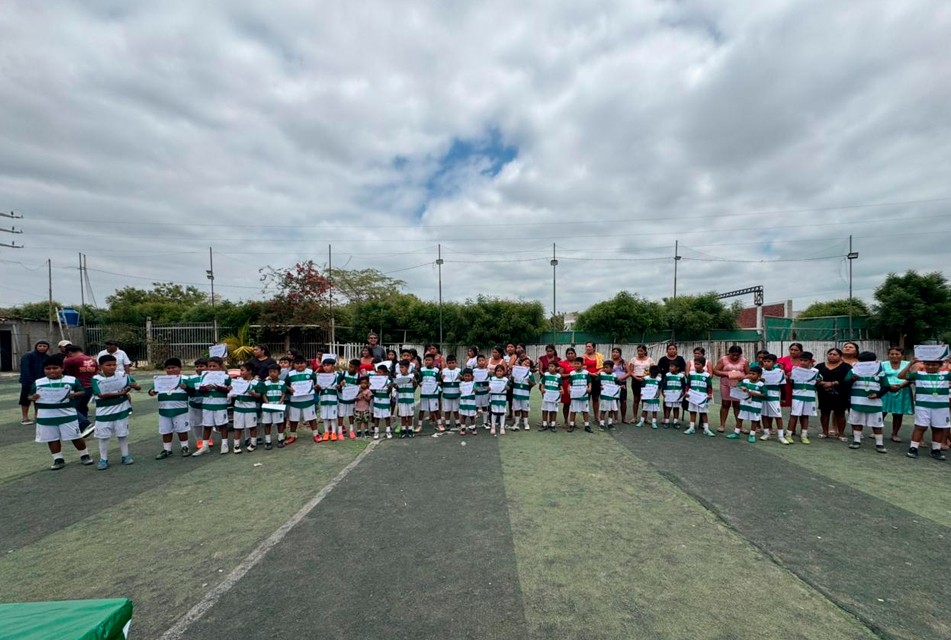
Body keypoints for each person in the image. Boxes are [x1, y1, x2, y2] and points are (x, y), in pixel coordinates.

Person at [30, 355, 93, 470]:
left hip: (67, 414)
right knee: (51, 438)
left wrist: (74, 395)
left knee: (75, 436)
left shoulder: (71, 380)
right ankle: (58, 459)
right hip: (46, 415)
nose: (51, 371)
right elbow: (30, 396)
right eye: (48, 368)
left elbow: (82, 391)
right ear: (44, 370)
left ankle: (84, 455)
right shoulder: (38, 382)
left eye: (55, 368)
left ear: (62, 368)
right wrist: (33, 397)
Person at [898, 357, 950, 460]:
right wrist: (911, 363)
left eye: (934, 365)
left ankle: (936, 450)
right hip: (922, 406)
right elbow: (900, 376)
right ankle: (913, 448)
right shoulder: (919, 374)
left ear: (940, 365)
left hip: (941, 407)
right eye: (927, 364)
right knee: (920, 427)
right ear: (923, 364)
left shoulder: (946, 375)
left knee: (938, 428)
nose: (930, 367)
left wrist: (949, 362)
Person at [847, 351, 891, 453]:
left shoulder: (880, 371)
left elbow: (886, 386)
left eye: (869, 362)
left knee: (877, 424)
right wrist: (852, 379)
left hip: (874, 402)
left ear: (874, 362)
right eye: (862, 362)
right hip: (857, 401)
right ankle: (856, 441)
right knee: (857, 421)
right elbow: (845, 383)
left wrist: (878, 395)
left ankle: (879, 443)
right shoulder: (854, 370)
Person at [149, 357, 192, 459]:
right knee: (165, 430)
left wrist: (187, 388)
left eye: (174, 367)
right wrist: (152, 392)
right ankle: (167, 449)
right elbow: (151, 391)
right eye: (168, 368)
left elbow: (193, 392)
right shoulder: (160, 380)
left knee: (182, 429)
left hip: (180, 410)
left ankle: (185, 447)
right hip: (164, 410)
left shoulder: (185, 379)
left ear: (180, 368)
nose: (171, 370)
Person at [191, 356, 232, 456]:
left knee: (222, 425)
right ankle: (205, 446)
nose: (212, 368)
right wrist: (206, 388)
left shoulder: (225, 377)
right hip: (207, 404)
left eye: (214, 366)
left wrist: (218, 387)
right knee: (207, 425)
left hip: (220, 404)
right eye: (210, 366)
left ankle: (224, 444)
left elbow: (228, 390)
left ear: (220, 366)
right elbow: (200, 390)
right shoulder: (204, 376)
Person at [817, 348, 853, 440]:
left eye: (835, 354)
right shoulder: (820, 366)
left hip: (841, 393)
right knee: (824, 412)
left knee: (840, 413)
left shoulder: (846, 367)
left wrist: (833, 383)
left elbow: (848, 379)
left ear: (840, 356)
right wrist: (822, 383)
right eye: (830, 354)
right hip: (824, 392)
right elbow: (814, 377)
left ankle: (841, 434)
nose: (832, 356)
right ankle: (825, 432)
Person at [63, 344, 98, 431]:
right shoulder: (92, 360)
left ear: (69, 353)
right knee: (82, 407)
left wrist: (65, 360)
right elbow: (96, 372)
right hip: (90, 386)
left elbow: (60, 369)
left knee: (70, 408)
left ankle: (85, 424)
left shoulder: (70, 360)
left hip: (78, 388)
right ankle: (83, 429)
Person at [881, 347, 913, 443]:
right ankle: (877, 431)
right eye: (892, 354)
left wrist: (900, 385)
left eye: (897, 354)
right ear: (888, 355)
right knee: (881, 412)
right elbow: (879, 377)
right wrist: (888, 386)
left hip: (903, 390)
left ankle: (894, 434)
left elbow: (911, 377)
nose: (894, 356)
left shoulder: (908, 364)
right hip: (886, 390)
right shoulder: (882, 364)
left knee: (898, 414)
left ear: (902, 355)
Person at [713, 346, 748, 433]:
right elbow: (716, 371)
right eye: (733, 355)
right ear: (729, 353)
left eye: (737, 355)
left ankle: (739, 426)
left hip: (738, 385)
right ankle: (722, 425)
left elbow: (749, 373)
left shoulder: (744, 361)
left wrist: (741, 376)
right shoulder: (723, 360)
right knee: (725, 404)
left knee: (737, 405)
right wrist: (727, 373)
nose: (735, 357)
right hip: (726, 384)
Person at [283, 356, 316, 446]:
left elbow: (316, 383)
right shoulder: (290, 374)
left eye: (302, 363)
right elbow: (285, 385)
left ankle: (316, 434)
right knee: (293, 419)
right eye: (297, 363)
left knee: (312, 418)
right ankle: (292, 435)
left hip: (308, 400)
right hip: (295, 401)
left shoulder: (310, 372)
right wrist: (289, 389)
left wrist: (315, 387)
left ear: (306, 364)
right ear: (293, 365)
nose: (299, 365)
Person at [786, 351, 818, 444]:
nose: (803, 362)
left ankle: (804, 435)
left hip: (809, 396)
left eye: (805, 360)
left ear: (810, 361)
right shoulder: (794, 370)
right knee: (794, 415)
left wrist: (819, 380)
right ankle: (788, 434)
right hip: (797, 396)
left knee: (805, 416)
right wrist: (789, 377)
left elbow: (818, 382)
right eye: (801, 360)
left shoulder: (815, 372)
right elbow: (791, 382)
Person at [727, 366, 765, 443]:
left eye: (753, 374)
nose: (751, 375)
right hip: (744, 404)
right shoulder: (745, 381)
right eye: (750, 373)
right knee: (740, 418)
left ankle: (752, 435)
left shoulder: (761, 384)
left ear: (759, 375)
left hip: (755, 405)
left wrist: (754, 393)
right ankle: (736, 433)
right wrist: (741, 388)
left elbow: (764, 395)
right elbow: (738, 387)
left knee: (754, 420)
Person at [232, 362, 263, 452]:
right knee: (237, 427)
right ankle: (236, 445)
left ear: (250, 371)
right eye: (240, 370)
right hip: (238, 407)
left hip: (250, 407)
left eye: (242, 370)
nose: (240, 372)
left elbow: (259, 395)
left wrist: (253, 393)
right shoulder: (237, 381)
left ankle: (253, 443)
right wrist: (230, 389)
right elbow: (232, 392)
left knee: (252, 426)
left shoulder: (256, 383)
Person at [18, 340, 50, 425]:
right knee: (25, 399)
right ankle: (25, 417)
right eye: (40, 346)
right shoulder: (28, 355)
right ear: (36, 346)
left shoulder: (47, 357)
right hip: (27, 381)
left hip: (41, 382)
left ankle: (37, 415)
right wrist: (30, 381)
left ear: (47, 348)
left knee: (39, 398)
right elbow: (25, 369)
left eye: (44, 346)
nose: (42, 348)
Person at [685, 357, 715, 436]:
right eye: (695, 364)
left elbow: (709, 386)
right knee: (692, 411)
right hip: (692, 397)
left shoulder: (707, 375)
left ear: (703, 365)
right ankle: (692, 428)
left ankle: (706, 429)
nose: (696, 366)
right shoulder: (691, 374)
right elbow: (688, 384)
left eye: (698, 364)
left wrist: (710, 394)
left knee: (704, 412)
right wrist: (686, 392)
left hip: (703, 397)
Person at [758, 354, 785, 440]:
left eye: (769, 361)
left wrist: (783, 398)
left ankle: (781, 436)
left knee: (778, 415)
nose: (766, 363)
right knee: (764, 415)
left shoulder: (779, 372)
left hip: (774, 396)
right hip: (763, 396)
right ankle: (766, 433)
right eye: (764, 361)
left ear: (774, 362)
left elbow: (782, 386)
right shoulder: (760, 371)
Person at [260, 364, 287, 449]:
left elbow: (283, 394)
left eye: (274, 372)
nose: (272, 373)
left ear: (279, 373)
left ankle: (280, 439)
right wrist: (267, 403)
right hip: (268, 406)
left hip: (278, 406)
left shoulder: (282, 383)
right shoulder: (265, 383)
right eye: (270, 372)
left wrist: (280, 403)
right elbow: (264, 395)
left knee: (280, 423)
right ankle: (268, 441)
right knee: (267, 424)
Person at [315, 358, 341, 442]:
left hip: (333, 398)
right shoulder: (320, 376)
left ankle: (333, 432)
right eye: (324, 365)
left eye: (328, 365)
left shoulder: (337, 375)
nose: (326, 367)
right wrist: (317, 387)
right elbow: (318, 388)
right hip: (323, 398)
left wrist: (339, 386)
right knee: (324, 416)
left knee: (333, 416)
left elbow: (341, 386)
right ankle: (326, 432)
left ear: (333, 366)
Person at [184, 358, 208, 449]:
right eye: (197, 366)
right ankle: (199, 440)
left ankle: (208, 439)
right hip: (195, 404)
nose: (199, 368)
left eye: (201, 366)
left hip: (208, 404)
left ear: (207, 367)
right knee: (196, 423)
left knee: (208, 423)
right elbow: (189, 391)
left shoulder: (211, 377)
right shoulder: (190, 378)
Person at [627, 345, 654, 422]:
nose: (639, 352)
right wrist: (636, 378)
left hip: (646, 380)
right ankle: (634, 417)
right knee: (636, 398)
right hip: (635, 380)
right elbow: (630, 371)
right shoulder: (633, 359)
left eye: (641, 351)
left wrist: (646, 377)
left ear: (645, 351)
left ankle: (645, 417)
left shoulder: (650, 360)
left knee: (645, 399)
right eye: (638, 351)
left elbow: (652, 371)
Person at [567, 357, 593, 433]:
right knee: (573, 410)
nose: (576, 365)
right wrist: (568, 388)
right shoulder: (572, 373)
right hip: (575, 394)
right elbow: (570, 383)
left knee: (585, 410)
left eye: (578, 363)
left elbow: (589, 381)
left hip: (583, 394)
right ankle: (571, 425)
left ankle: (587, 426)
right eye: (575, 364)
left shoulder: (586, 373)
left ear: (582, 364)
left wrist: (590, 387)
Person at [417, 352, 441, 431]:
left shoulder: (436, 370)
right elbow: (419, 380)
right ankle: (419, 425)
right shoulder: (422, 370)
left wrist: (438, 383)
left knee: (436, 409)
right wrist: (420, 384)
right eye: (426, 360)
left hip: (433, 393)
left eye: (429, 360)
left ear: (433, 361)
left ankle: (440, 424)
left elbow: (439, 381)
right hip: (424, 393)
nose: (427, 361)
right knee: (422, 409)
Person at [338, 359, 362, 438]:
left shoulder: (358, 376)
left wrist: (358, 392)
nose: (349, 368)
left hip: (352, 399)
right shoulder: (343, 374)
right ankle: (340, 432)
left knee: (351, 415)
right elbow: (337, 385)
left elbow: (359, 387)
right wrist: (340, 384)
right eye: (349, 366)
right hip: (342, 398)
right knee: (341, 415)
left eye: (352, 367)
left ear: (356, 368)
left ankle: (351, 431)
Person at [776, 343, 803, 409]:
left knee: (799, 406)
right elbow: (779, 372)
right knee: (788, 406)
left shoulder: (804, 360)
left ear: (801, 351)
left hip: (800, 386)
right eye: (791, 349)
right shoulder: (783, 360)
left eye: (796, 350)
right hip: (787, 385)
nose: (793, 352)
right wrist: (785, 375)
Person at [395, 360, 417, 438]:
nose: (401, 369)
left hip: (410, 399)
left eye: (402, 367)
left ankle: (410, 430)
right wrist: (395, 386)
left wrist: (414, 382)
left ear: (407, 367)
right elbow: (397, 388)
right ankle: (403, 430)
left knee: (410, 415)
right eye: (400, 367)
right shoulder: (398, 377)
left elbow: (415, 386)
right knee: (403, 415)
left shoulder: (411, 376)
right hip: (401, 399)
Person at [371, 363, 393, 439]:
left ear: (385, 373)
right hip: (377, 401)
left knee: (387, 417)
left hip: (385, 401)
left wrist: (389, 386)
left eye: (380, 372)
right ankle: (376, 432)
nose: (378, 374)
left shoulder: (388, 381)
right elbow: (373, 392)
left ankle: (388, 431)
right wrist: (371, 386)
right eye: (377, 372)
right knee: (377, 417)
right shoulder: (374, 380)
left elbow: (389, 392)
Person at [440, 355, 462, 432]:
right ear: (447, 363)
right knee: (447, 410)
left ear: (456, 363)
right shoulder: (444, 371)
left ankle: (458, 423)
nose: (451, 364)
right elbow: (441, 382)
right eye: (449, 363)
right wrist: (441, 379)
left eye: (453, 363)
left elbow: (463, 381)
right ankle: (447, 423)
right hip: (446, 393)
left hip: (456, 393)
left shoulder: (459, 370)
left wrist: (461, 378)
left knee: (456, 410)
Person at [582, 342, 604, 420]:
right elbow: (582, 368)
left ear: (594, 348)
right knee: (586, 398)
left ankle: (596, 417)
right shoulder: (583, 357)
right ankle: (585, 417)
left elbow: (602, 367)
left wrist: (597, 373)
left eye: (589, 346)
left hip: (597, 379)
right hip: (587, 379)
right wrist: (591, 374)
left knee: (596, 398)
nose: (588, 348)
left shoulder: (599, 356)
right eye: (587, 346)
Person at [511, 357, 533, 431]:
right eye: (525, 362)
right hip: (516, 393)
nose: (526, 363)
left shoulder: (529, 373)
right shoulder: (516, 370)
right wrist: (513, 376)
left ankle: (526, 423)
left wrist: (529, 381)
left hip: (525, 394)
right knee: (516, 409)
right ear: (521, 362)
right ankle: (516, 423)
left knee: (525, 409)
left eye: (528, 363)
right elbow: (512, 381)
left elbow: (533, 383)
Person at [539, 359, 563, 432]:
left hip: (555, 395)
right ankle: (544, 424)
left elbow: (560, 385)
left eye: (552, 366)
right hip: (547, 394)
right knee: (544, 409)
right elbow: (543, 384)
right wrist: (542, 389)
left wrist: (562, 390)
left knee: (554, 410)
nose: (550, 368)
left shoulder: (558, 376)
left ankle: (553, 425)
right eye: (549, 366)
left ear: (556, 368)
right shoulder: (545, 374)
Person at [662, 361, 685, 428]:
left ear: (677, 368)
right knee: (668, 408)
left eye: (672, 366)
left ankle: (675, 422)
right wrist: (663, 392)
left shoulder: (681, 376)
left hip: (678, 395)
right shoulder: (667, 375)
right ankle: (666, 422)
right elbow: (664, 384)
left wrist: (683, 392)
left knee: (676, 408)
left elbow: (683, 385)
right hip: (669, 395)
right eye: (670, 366)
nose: (670, 368)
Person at [559, 347, 578, 426]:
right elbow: (560, 375)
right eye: (568, 354)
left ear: (575, 354)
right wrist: (570, 374)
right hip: (566, 385)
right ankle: (566, 421)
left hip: (576, 385)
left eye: (572, 353)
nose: (570, 355)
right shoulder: (563, 363)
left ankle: (573, 421)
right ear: (566, 355)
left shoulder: (578, 363)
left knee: (574, 404)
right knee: (566, 404)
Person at [598, 360, 620, 430]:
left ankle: (610, 423)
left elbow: (617, 384)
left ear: (612, 368)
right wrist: (599, 386)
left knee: (611, 410)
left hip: (612, 396)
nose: (605, 369)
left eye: (607, 367)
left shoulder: (614, 375)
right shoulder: (601, 374)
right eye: (604, 367)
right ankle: (601, 424)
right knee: (603, 410)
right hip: (604, 396)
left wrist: (620, 386)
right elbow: (597, 383)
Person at [489, 364, 510, 436]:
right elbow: (490, 387)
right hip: (494, 397)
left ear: (503, 372)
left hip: (502, 398)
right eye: (497, 371)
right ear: (495, 372)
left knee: (502, 412)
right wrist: (489, 388)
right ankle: (493, 427)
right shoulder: (492, 379)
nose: (499, 372)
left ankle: (502, 427)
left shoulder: (505, 379)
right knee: (494, 412)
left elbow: (508, 387)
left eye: (500, 371)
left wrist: (507, 388)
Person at [610, 348, 629, 423]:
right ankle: (615, 418)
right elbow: (607, 371)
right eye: (613, 352)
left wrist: (621, 378)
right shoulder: (610, 362)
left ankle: (624, 418)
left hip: (622, 383)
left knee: (623, 401)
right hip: (613, 383)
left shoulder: (624, 362)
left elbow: (629, 372)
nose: (614, 353)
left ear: (620, 354)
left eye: (616, 352)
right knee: (614, 400)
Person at [458, 369, 478, 436]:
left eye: (468, 376)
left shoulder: (473, 383)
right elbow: (460, 391)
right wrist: (460, 391)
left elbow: (476, 389)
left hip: (471, 402)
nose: (467, 377)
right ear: (463, 376)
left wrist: (475, 389)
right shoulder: (461, 383)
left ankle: (473, 428)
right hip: (463, 402)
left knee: (472, 416)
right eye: (465, 376)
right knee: (463, 416)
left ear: (472, 376)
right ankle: (463, 429)